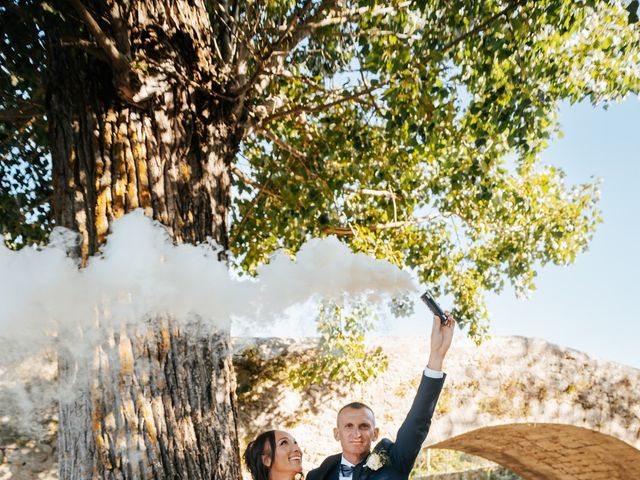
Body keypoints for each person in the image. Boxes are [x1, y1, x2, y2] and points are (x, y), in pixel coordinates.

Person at [306, 314, 455, 480]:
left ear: (375, 433)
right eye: (348, 426)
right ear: (337, 433)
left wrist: (437, 355)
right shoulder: (318, 476)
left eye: (364, 426)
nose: (357, 433)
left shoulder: (395, 462)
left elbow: (418, 421)